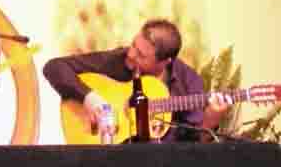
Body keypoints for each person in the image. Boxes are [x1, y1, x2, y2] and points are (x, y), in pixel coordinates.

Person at [43, 18, 228, 142]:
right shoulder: (121, 60)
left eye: (141, 55)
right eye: (133, 45)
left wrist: (209, 121)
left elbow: (190, 148)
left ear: (164, 62)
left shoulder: (188, 82)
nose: (131, 54)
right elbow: (54, 67)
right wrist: (91, 99)